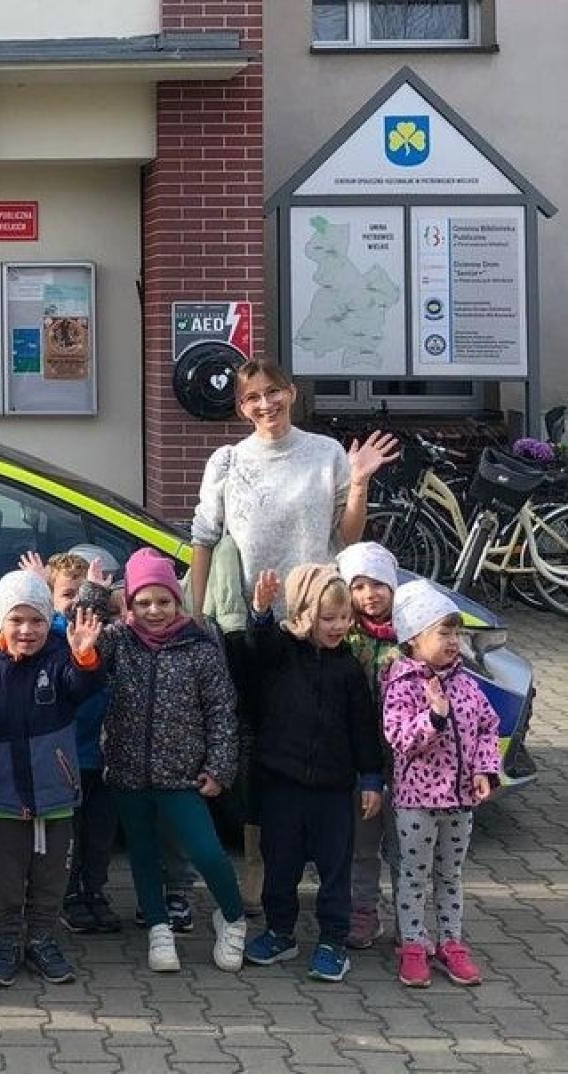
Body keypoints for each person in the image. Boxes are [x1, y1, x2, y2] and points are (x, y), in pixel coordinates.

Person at [188, 358, 397, 911]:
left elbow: (346, 535)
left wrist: (358, 481)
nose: (265, 405)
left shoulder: (325, 451)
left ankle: (331, 864)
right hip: (254, 627)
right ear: (241, 406)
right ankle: (261, 862)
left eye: (273, 393)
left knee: (323, 732)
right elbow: (204, 540)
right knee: (258, 739)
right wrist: (196, 616)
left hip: (319, 621)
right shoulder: (227, 462)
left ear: (291, 393)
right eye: (253, 397)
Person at [0, 568, 104, 988]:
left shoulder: (60, 658)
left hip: (54, 794)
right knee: (4, 875)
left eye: (37, 620)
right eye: (17, 620)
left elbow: (82, 688)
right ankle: (6, 941)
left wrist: (85, 657)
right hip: (3, 796)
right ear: (1, 619)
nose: (27, 630)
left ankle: (40, 937)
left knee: (51, 875)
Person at [98, 550, 247, 975]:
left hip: (181, 774)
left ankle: (232, 918)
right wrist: (94, 591)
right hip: (128, 770)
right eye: (143, 602)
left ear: (177, 601)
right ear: (128, 604)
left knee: (207, 851)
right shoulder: (119, 641)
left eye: (163, 601)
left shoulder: (198, 646)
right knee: (143, 855)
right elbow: (82, 636)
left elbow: (221, 709)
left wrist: (220, 767)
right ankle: (158, 928)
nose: (154, 611)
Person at [241, 566, 383, 983]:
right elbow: (257, 651)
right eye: (328, 618)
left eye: (344, 618)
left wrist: (371, 777)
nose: (338, 626)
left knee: (335, 867)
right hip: (281, 784)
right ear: (303, 615)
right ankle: (279, 931)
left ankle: (332, 941)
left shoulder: (350, 670)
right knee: (280, 862)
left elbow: (363, 729)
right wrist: (262, 612)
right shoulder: (283, 653)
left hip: (334, 790)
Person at [383, 580, 501, 989]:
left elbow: (488, 728)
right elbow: (399, 739)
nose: (453, 642)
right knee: (414, 876)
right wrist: (433, 717)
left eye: (456, 633)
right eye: (443, 633)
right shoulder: (401, 684)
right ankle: (413, 945)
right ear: (414, 638)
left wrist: (485, 770)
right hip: (416, 803)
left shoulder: (466, 683)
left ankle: (451, 942)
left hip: (460, 801)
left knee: (450, 876)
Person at [336, 541, 403, 950]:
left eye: (377, 584)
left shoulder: (413, 637)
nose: (368, 595)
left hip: (408, 762)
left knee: (403, 845)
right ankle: (363, 909)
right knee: (362, 841)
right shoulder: (346, 637)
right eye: (358, 586)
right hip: (360, 761)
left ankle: (410, 917)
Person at [53, 559, 124, 935]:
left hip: (105, 758)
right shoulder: (57, 634)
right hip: (72, 757)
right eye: (67, 594)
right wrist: (90, 596)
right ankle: (68, 896)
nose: (74, 605)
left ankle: (94, 892)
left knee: (99, 835)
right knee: (71, 835)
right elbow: (74, 622)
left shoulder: (110, 639)